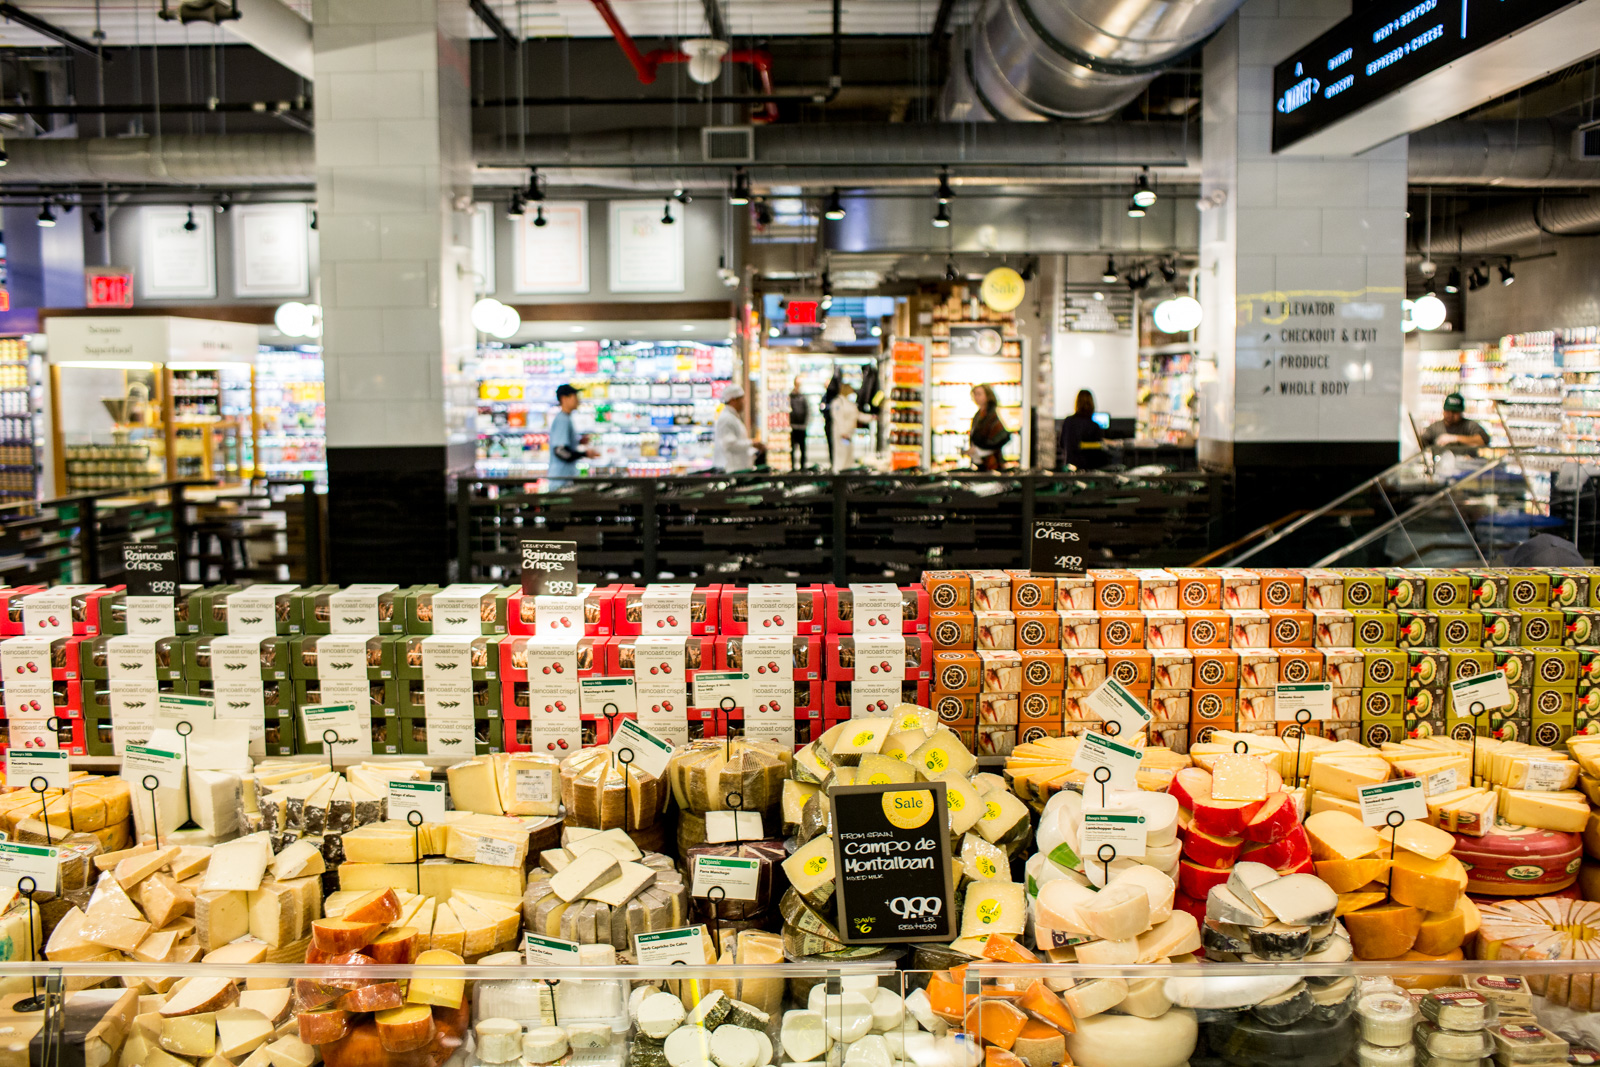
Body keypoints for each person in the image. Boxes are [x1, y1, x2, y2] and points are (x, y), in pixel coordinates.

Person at [547, 384, 595, 488]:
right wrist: (585, 454)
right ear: (564, 399)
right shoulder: (562, 420)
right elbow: (560, 451)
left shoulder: (566, 418)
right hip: (560, 480)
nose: (578, 400)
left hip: (564, 478)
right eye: (575, 396)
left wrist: (579, 442)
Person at [1419, 393, 1489, 455]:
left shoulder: (1469, 425)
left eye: (1454, 412)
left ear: (1461, 412)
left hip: (1467, 466)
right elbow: (1422, 443)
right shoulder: (1435, 427)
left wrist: (1455, 438)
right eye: (1447, 411)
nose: (1450, 415)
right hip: (1441, 467)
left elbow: (1483, 440)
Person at [713, 384, 763, 471]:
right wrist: (752, 443)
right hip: (731, 469)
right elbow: (730, 444)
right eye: (742, 399)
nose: (744, 402)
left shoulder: (732, 417)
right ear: (733, 400)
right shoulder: (726, 419)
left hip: (738, 468)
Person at [1058, 389, 1108, 470]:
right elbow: (1098, 452)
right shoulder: (1094, 426)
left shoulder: (1068, 421)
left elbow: (1062, 444)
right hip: (1088, 471)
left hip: (1070, 469)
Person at [968, 384, 1011, 471]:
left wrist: (978, 449)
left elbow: (1001, 437)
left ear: (987, 396)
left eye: (979, 394)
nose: (976, 397)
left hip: (992, 463)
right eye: (975, 394)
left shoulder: (991, 415)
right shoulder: (979, 415)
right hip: (980, 462)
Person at [830, 383, 873, 471]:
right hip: (842, 435)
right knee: (841, 455)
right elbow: (838, 418)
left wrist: (871, 417)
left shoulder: (849, 403)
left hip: (849, 434)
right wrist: (843, 432)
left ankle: (846, 474)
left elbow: (857, 415)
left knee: (848, 455)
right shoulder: (838, 403)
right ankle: (838, 475)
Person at [821, 371, 842, 468]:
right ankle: (833, 463)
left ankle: (836, 463)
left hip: (835, 425)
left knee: (837, 445)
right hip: (830, 424)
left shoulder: (836, 398)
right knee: (832, 444)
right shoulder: (827, 397)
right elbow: (822, 408)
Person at [788, 377, 809, 469]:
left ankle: (802, 467)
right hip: (793, 426)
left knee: (802, 449)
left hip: (801, 426)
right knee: (793, 448)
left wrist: (805, 424)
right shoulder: (790, 396)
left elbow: (808, 410)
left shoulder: (803, 397)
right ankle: (793, 467)